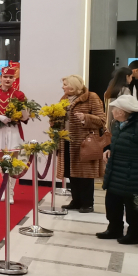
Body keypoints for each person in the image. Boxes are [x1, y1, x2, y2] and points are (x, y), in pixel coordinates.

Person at [56, 75, 106, 213]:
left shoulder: (91, 97)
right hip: (67, 141)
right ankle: (76, 201)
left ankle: (87, 203)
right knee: (71, 173)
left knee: (85, 175)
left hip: (85, 143)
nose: (63, 87)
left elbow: (102, 120)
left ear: (73, 86)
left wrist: (85, 118)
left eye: (65, 84)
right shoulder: (64, 98)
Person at [97, 94, 138, 244]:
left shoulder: (137, 125)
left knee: (132, 206)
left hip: (132, 172)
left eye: (114, 109)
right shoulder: (117, 124)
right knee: (112, 201)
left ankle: (135, 233)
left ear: (122, 111)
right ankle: (114, 228)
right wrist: (109, 149)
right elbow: (116, 141)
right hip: (115, 169)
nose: (112, 111)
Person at [0, 66, 30, 204]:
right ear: (0, 78)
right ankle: (5, 190)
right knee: (2, 163)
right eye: (5, 77)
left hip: (14, 130)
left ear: (14, 79)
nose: (7, 79)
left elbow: (25, 116)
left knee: (13, 162)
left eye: (11, 77)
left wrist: (22, 114)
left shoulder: (19, 95)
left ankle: (10, 192)